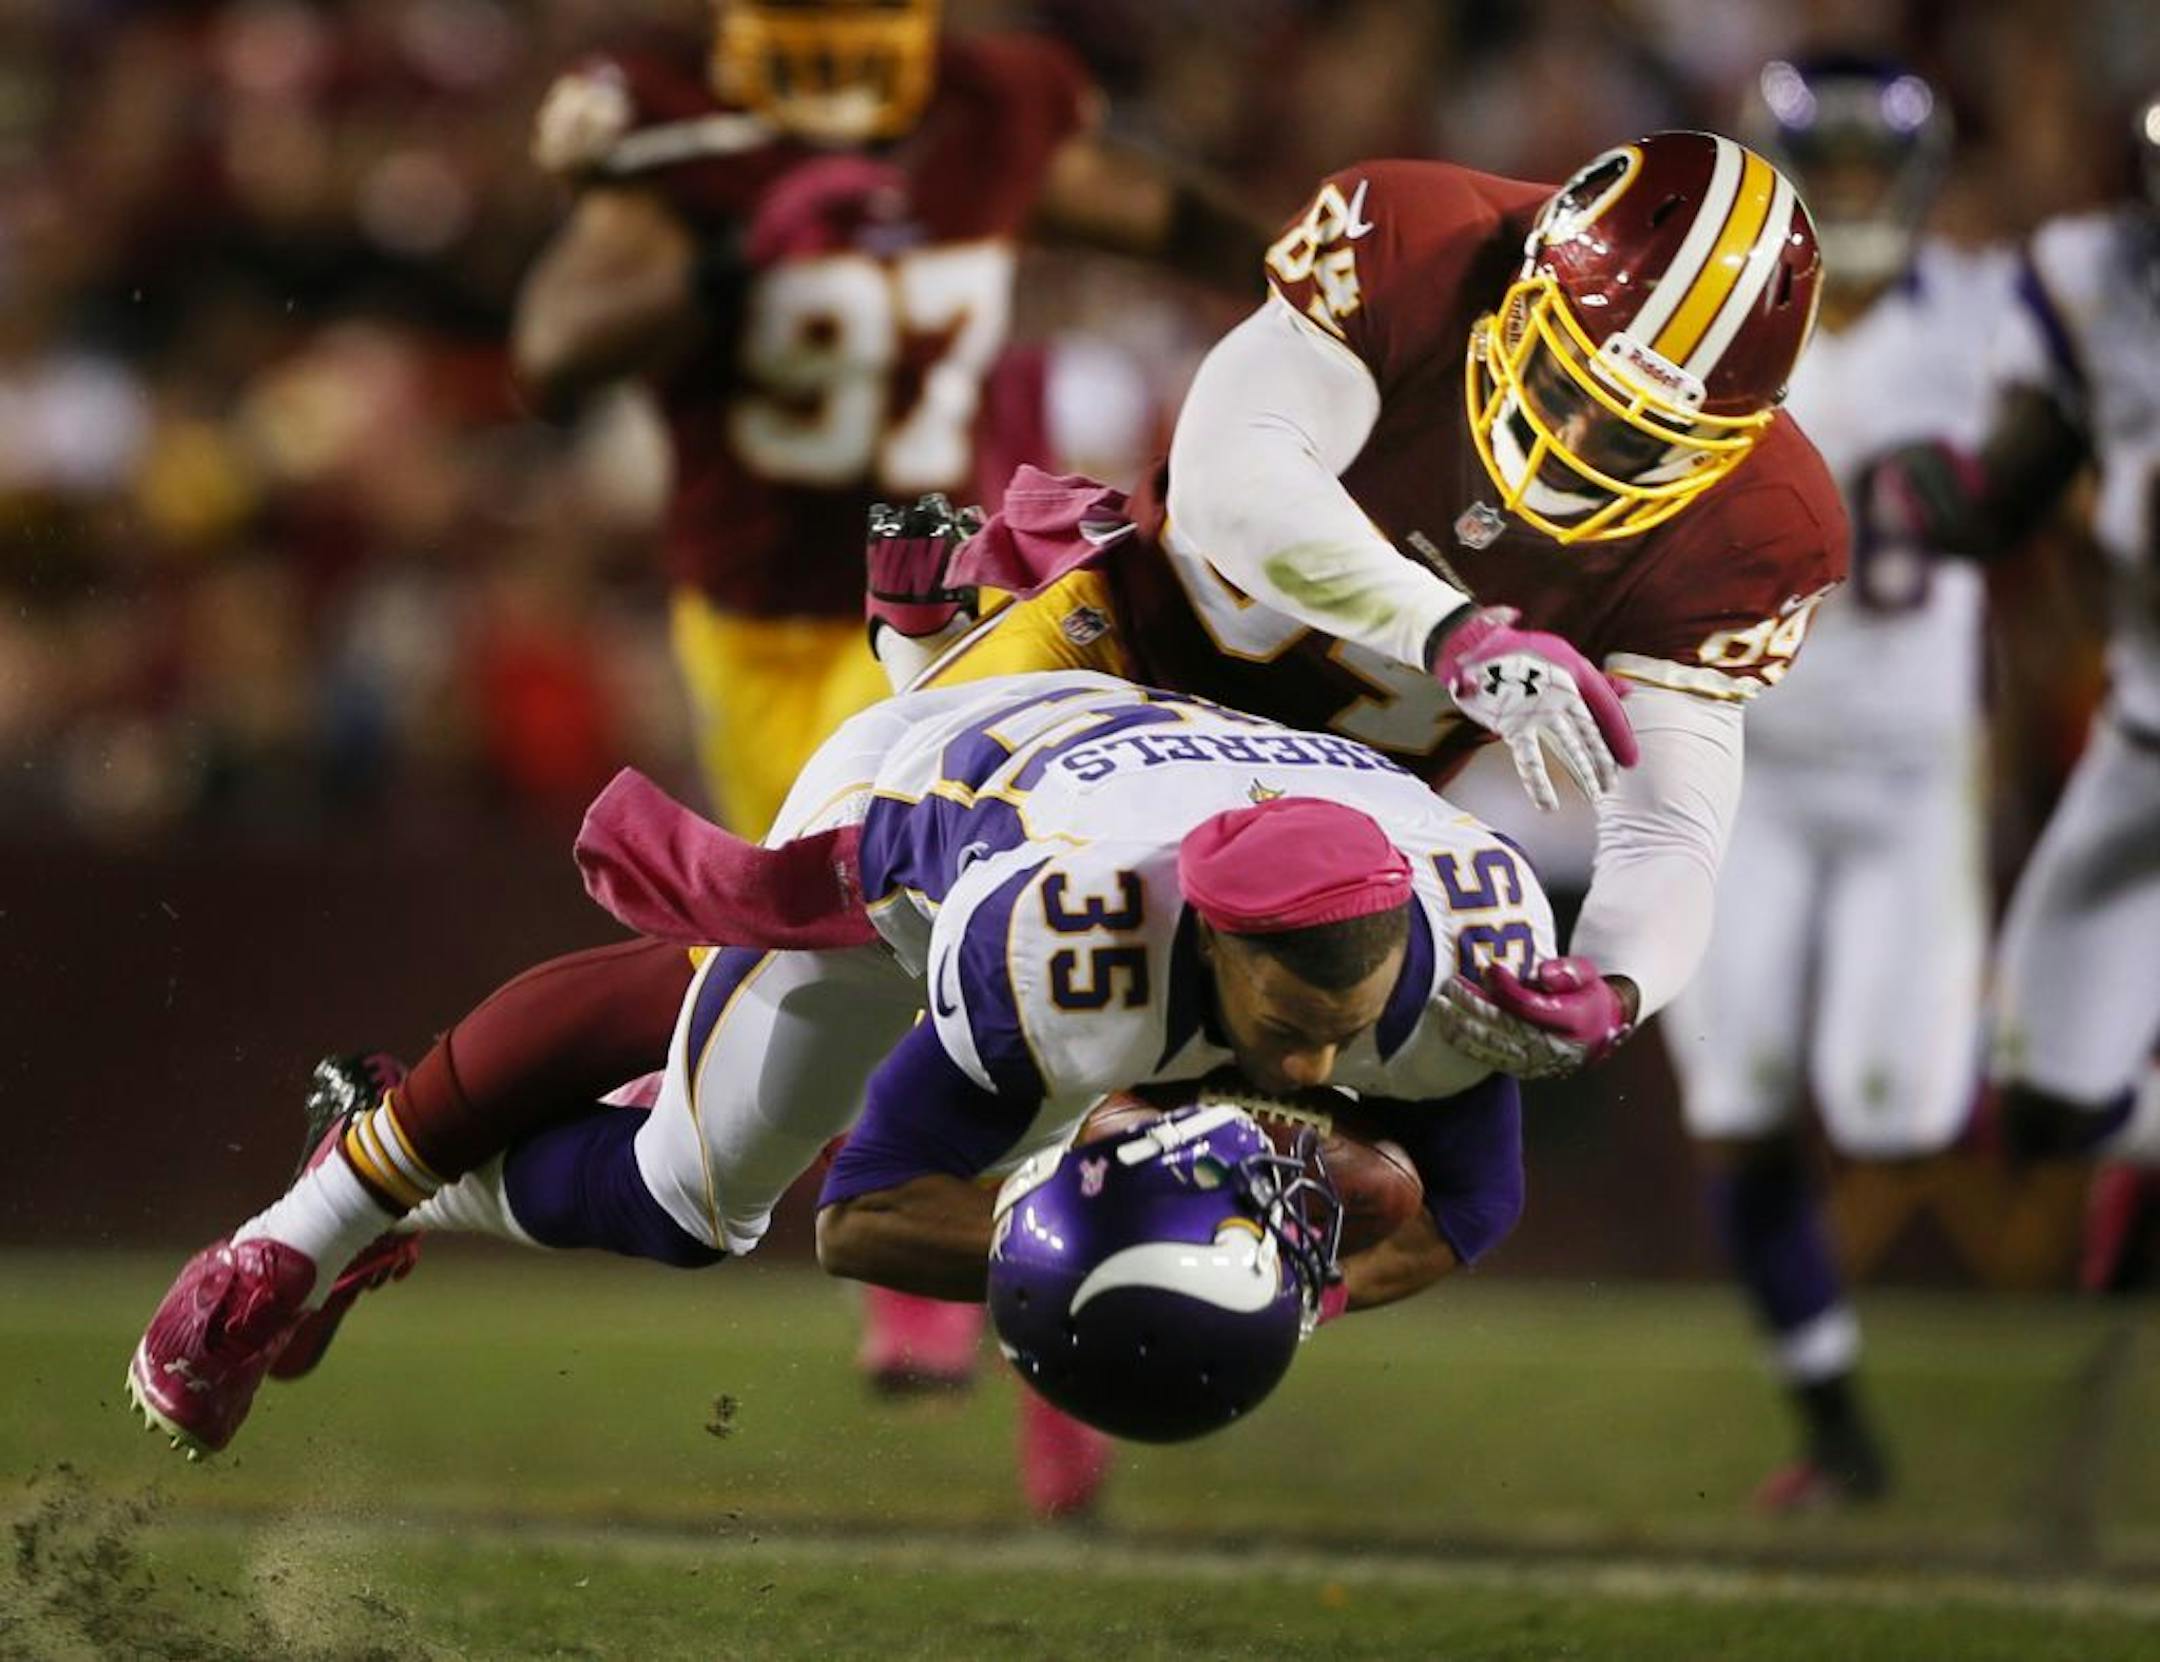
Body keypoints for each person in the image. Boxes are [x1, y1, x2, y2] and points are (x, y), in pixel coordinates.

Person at [127, 671, 1557, 1461]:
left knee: (707, 1165)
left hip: (1133, 760)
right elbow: (861, 1210)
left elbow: (1467, 1210)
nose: (1317, 1063)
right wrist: (1061, 1240)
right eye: (1287, 1019)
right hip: (923, 816)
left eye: (1349, 1024)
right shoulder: (1064, 958)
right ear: (1212, 940)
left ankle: (393, 1175)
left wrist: (1291, 1287)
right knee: (697, 1184)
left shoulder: (1466, 967)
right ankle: (301, 1227)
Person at [515, 0, 1269, 1479]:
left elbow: (1159, 210)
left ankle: (1016, 1301)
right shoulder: (677, 126)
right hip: (757, 619)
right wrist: (741, 257)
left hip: (948, 592)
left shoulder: (984, 106)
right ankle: (997, 1274)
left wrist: (1341, 296)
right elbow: (549, 354)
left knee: (990, 920)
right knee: (845, 946)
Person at [867, 129, 1849, 1081]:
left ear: (1728, 444)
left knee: (1419, 1163)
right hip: (1119, 653)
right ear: (1523, 292)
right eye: (1562, 381)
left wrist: (1618, 985)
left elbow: (1668, 828)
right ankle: (934, 653)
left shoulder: (1763, 526)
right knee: (873, 893)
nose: (1576, 441)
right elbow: (1226, 481)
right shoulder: (1418, 242)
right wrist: (1446, 632)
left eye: (1639, 440)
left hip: (1338, 805)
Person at [1663, 56, 2029, 1511]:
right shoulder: (1707, 320)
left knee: (1892, 1112)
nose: (1865, 200)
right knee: (1741, 1102)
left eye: (1884, 173)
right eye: (1845, 172)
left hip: (1911, 774)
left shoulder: (1999, 320)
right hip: (1746, 759)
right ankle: (1834, 1422)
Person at [1859, 90, 2160, 1286]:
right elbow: (2021, 483)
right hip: (2142, 749)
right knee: (2042, 1107)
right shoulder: (2091, 278)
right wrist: (1960, 498)